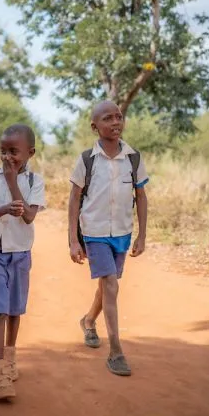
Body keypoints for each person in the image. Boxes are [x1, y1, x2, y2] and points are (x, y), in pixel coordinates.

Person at [68, 101, 149, 377]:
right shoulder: (87, 160)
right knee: (111, 284)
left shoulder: (133, 158)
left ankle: (88, 321)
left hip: (122, 232)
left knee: (108, 284)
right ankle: (116, 351)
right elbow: (74, 198)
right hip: (95, 231)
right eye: (107, 118)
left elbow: (141, 196)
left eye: (118, 116)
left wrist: (142, 235)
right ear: (95, 126)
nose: (115, 122)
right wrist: (73, 240)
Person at [0, 124, 46, 400]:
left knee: (15, 310)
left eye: (14, 152)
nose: (7, 158)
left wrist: (13, 182)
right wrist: (4, 207)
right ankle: (0, 372)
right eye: (3, 151)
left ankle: (11, 355)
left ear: (30, 153)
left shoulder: (34, 182)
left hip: (20, 255)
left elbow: (29, 216)